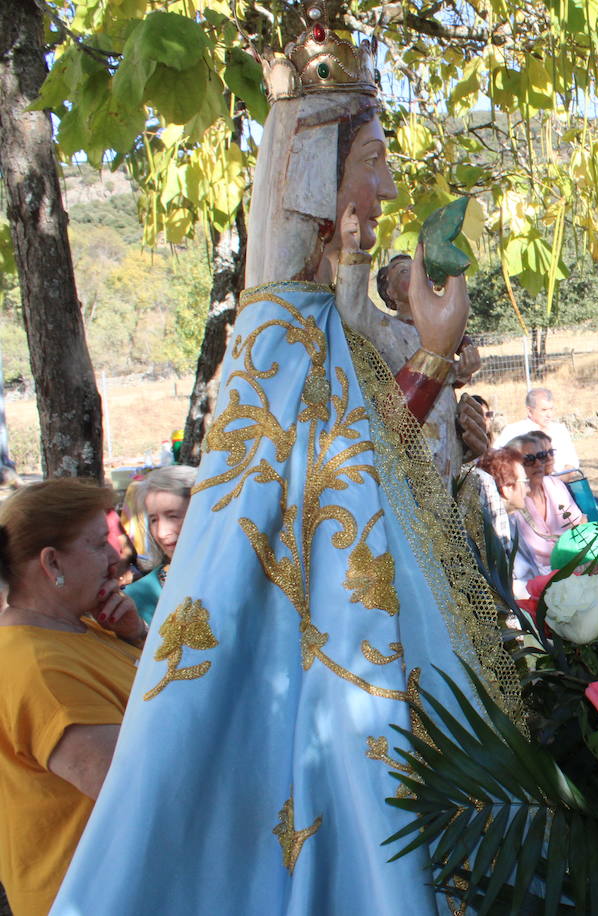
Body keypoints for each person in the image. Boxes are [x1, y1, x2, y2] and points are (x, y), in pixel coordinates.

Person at [53, 21, 519, 915]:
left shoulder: (312, 317)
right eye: (370, 160)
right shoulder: (280, 330)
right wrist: (429, 355)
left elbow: (359, 469)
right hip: (315, 660)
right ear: (312, 170)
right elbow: (338, 488)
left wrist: (427, 352)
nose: (383, 185)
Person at [0, 479, 145, 916]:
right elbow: (136, 791)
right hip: (95, 897)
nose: (115, 557)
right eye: (99, 544)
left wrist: (137, 637)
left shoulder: (88, 626)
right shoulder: (38, 667)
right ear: (51, 561)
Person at [338, 249, 482, 484]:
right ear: (390, 292)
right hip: (406, 446)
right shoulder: (382, 327)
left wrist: (463, 364)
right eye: (405, 272)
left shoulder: (441, 331)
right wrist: (351, 248)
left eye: (421, 271)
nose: (417, 277)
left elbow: (450, 359)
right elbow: (352, 305)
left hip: (447, 445)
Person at [122, 465, 196, 623]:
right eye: (153, 520)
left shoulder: (242, 575)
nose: (161, 533)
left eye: (173, 516)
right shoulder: (140, 596)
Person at [508, 432, 587, 576]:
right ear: (514, 465)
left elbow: (580, 524)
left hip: (573, 564)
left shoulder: (555, 486)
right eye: (529, 459)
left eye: (542, 456)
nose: (538, 464)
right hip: (535, 575)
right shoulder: (512, 498)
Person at [475, 446, 533, 584]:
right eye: (524, 483)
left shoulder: (509, 520)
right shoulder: (494, 530)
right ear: (507, 488)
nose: (528, 490)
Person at [493, 387, 581, 476]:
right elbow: (496, 460)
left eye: (551, 409)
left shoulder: (560, 430)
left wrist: (557, 483)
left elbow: (572, 463)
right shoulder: (513, 431)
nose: (549, 415)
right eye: (544, 410)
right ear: (530, 411)